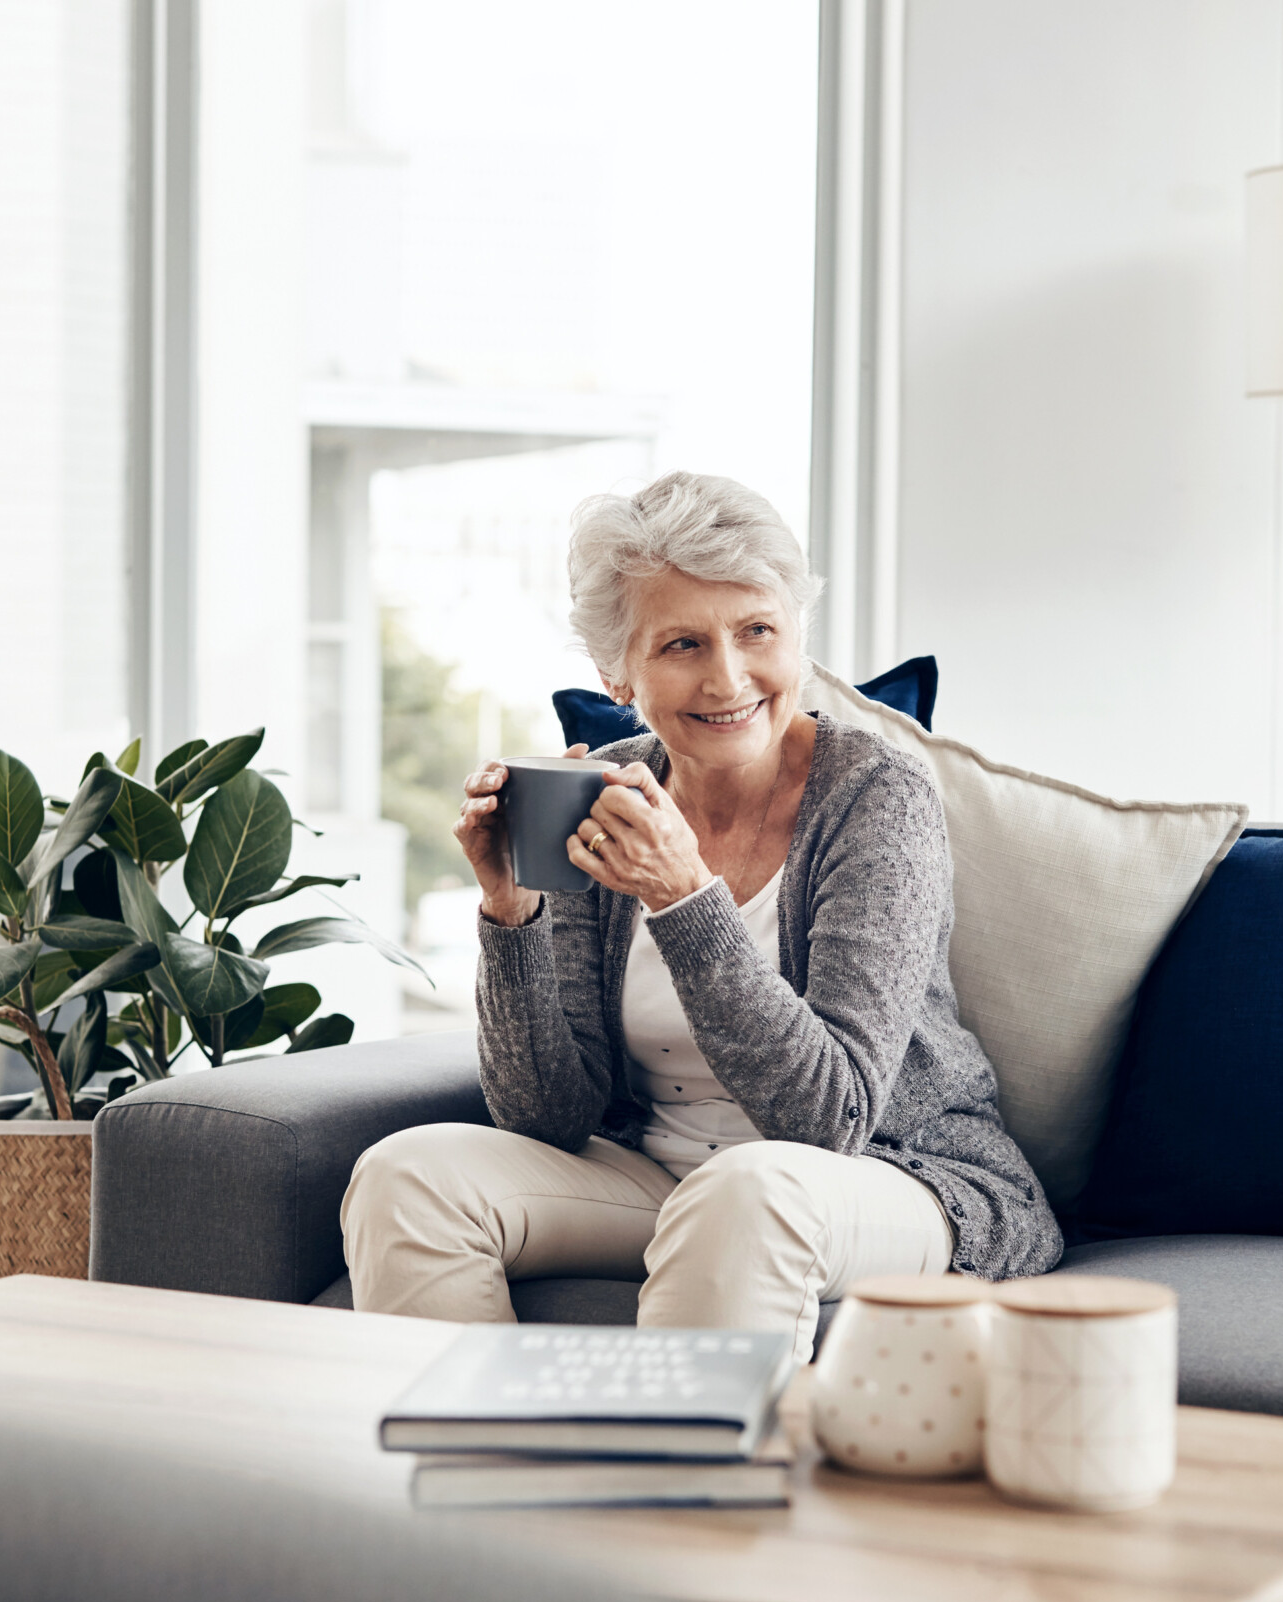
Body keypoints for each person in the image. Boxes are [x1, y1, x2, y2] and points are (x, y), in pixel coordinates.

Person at [340, 472, 1059, 1349]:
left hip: (888, 1178)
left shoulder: (877, 797)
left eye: (757, 631)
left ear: (797, 632)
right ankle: (482, 1465)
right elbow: (546, 1119)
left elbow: (830, 1120)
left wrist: (685, 898)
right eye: (682, 644)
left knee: (743, 1196)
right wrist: (510, 914)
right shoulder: (605, 798)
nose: (728, 678)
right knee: (406, 1175)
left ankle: (679, 1489)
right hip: (661, 1179)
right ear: (617, 674)